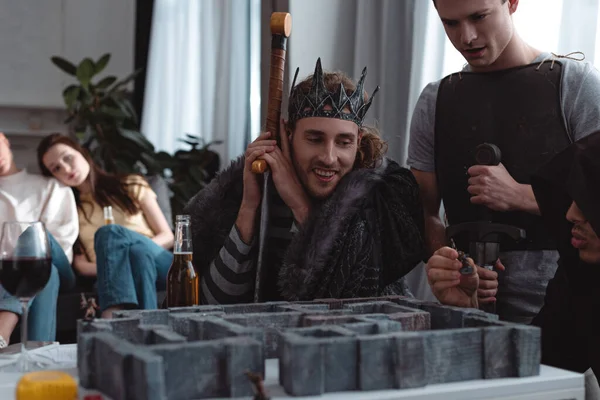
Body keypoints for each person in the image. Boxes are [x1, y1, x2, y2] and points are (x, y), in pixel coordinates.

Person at [407, 0, 600, 324]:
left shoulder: (576, 84)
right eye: (451, 24)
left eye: (479, 17)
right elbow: (424, 211)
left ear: (511, 3)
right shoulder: (434, 100)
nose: (466, 37)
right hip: (465, 306)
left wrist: (522, 195)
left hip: (566, 311)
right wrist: (450, 264)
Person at [184, 58, 426, 304]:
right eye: (314, 139)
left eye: (344, 142)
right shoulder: (250, 191)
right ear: (288, 135)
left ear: (358, 140)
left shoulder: (381, 199)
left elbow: (352, 304)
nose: (329, 158)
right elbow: (212, 304)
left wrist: (301, 206)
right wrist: (249, 205)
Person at [424, 130, 600, 379]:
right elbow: (532, 364)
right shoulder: (581, 280)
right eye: (572, 198)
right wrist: (468, 310)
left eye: (588, 199)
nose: (571, 214)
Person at [37, 134, 174, 318]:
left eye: (68, 157)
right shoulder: (71, 210)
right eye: (56, 168)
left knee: (112, 234)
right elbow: (81, 265)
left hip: (161, 261)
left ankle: (111, 317)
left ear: (82, 152)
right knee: (137, 255)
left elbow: (167, 236)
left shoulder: (130, 184)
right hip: (129, 268)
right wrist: (117, 265)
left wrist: (120, 260)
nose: (66, 169)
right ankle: (147, 327)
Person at [0, 132, 78, 347]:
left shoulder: (52, 186)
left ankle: (2, 329)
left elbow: (61, 240)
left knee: (36, 236)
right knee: (46, 273)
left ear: (4, 140)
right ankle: (38, 357)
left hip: (60, 265)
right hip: (13, 273)